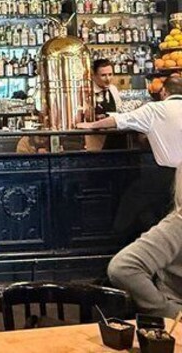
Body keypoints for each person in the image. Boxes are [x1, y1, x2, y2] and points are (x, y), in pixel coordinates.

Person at [77, 76, 182, 317]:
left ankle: (133, 271)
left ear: (163, 92)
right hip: (172, 180)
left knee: (133, 210)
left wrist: (89, 125)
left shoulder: (156, 109)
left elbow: (117, 120)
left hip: (164, 177)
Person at [86, 58, 124, 151]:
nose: (108, 79)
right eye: (103, 75)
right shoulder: (87, 92)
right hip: (96, 140)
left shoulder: (113, 89)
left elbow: (119, 110)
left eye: (110, 74)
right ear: (93, 76)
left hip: (115, 136)